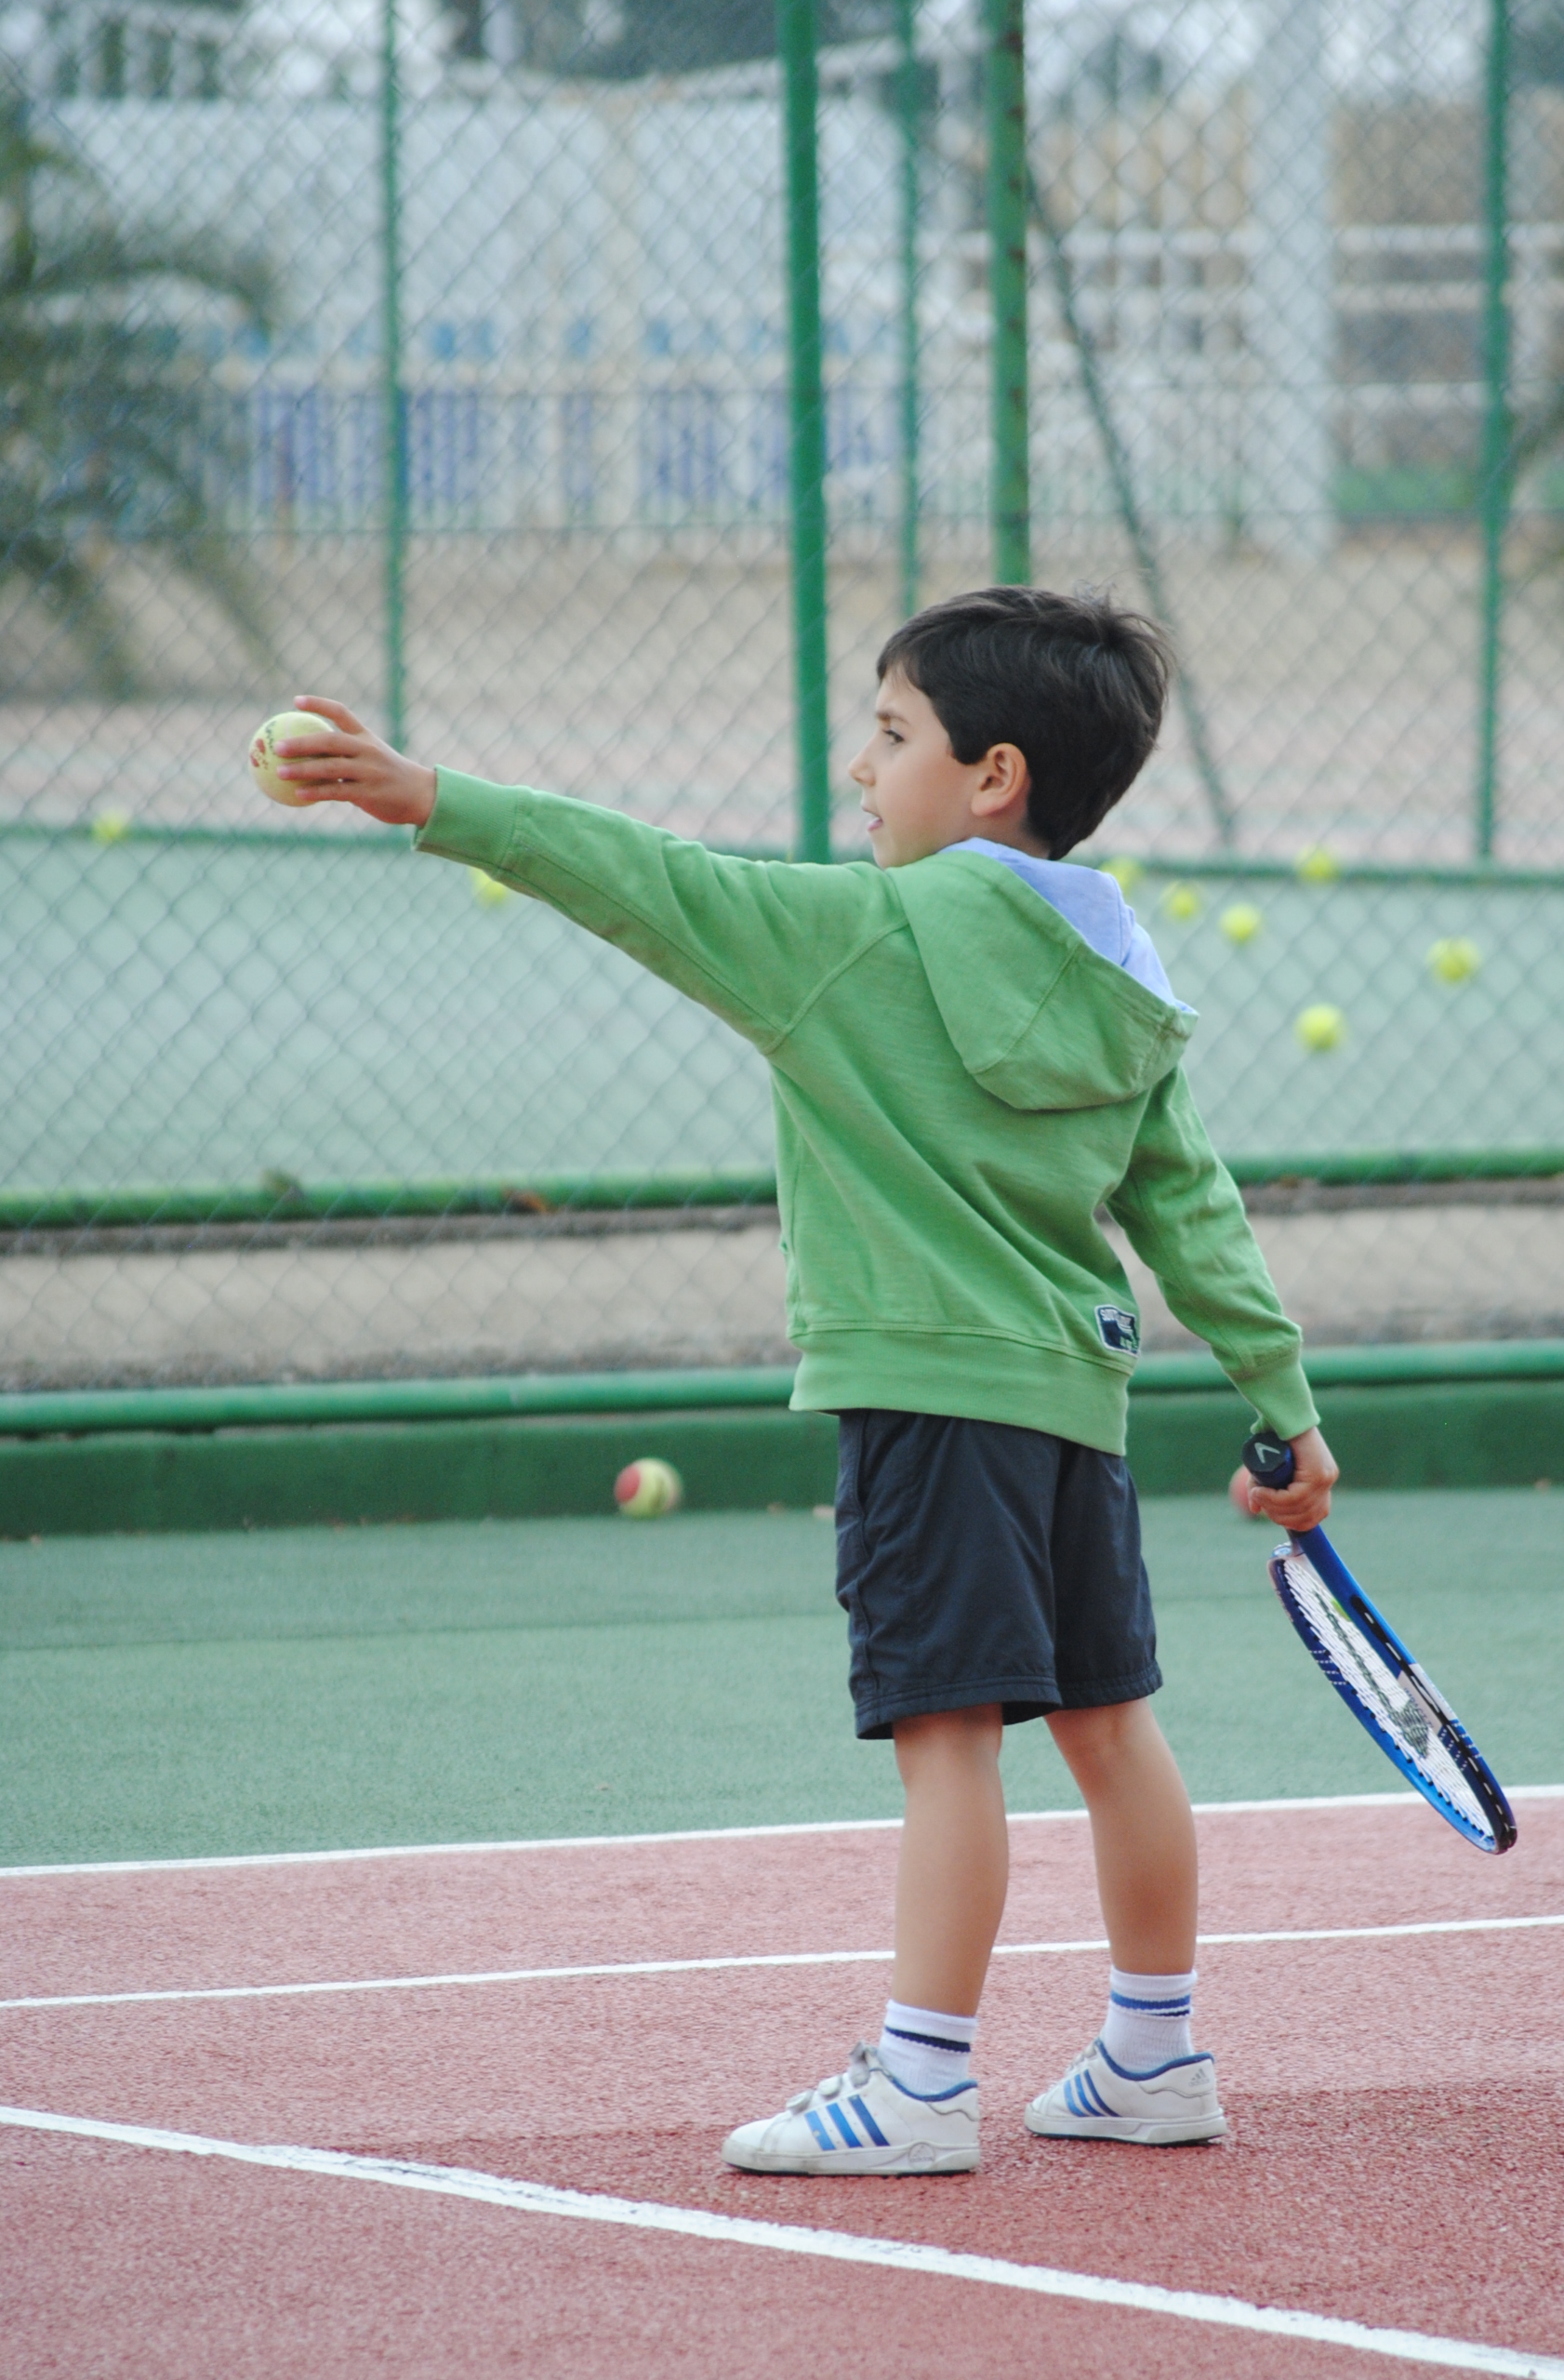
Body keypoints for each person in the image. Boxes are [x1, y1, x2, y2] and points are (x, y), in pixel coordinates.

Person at [271, 583, 1339, 2177]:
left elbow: (640, 878)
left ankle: (919, 2085)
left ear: (993, 778)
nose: (862, 768)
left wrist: (432, 795)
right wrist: (1284, 1402)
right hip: (1075, 1404)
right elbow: (1191, 1208)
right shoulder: (1122, 978)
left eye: (894, 735)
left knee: (949, 1741)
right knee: (1112, 1730)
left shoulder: (850, 936)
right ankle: (1154, 2055)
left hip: (926, 1398)